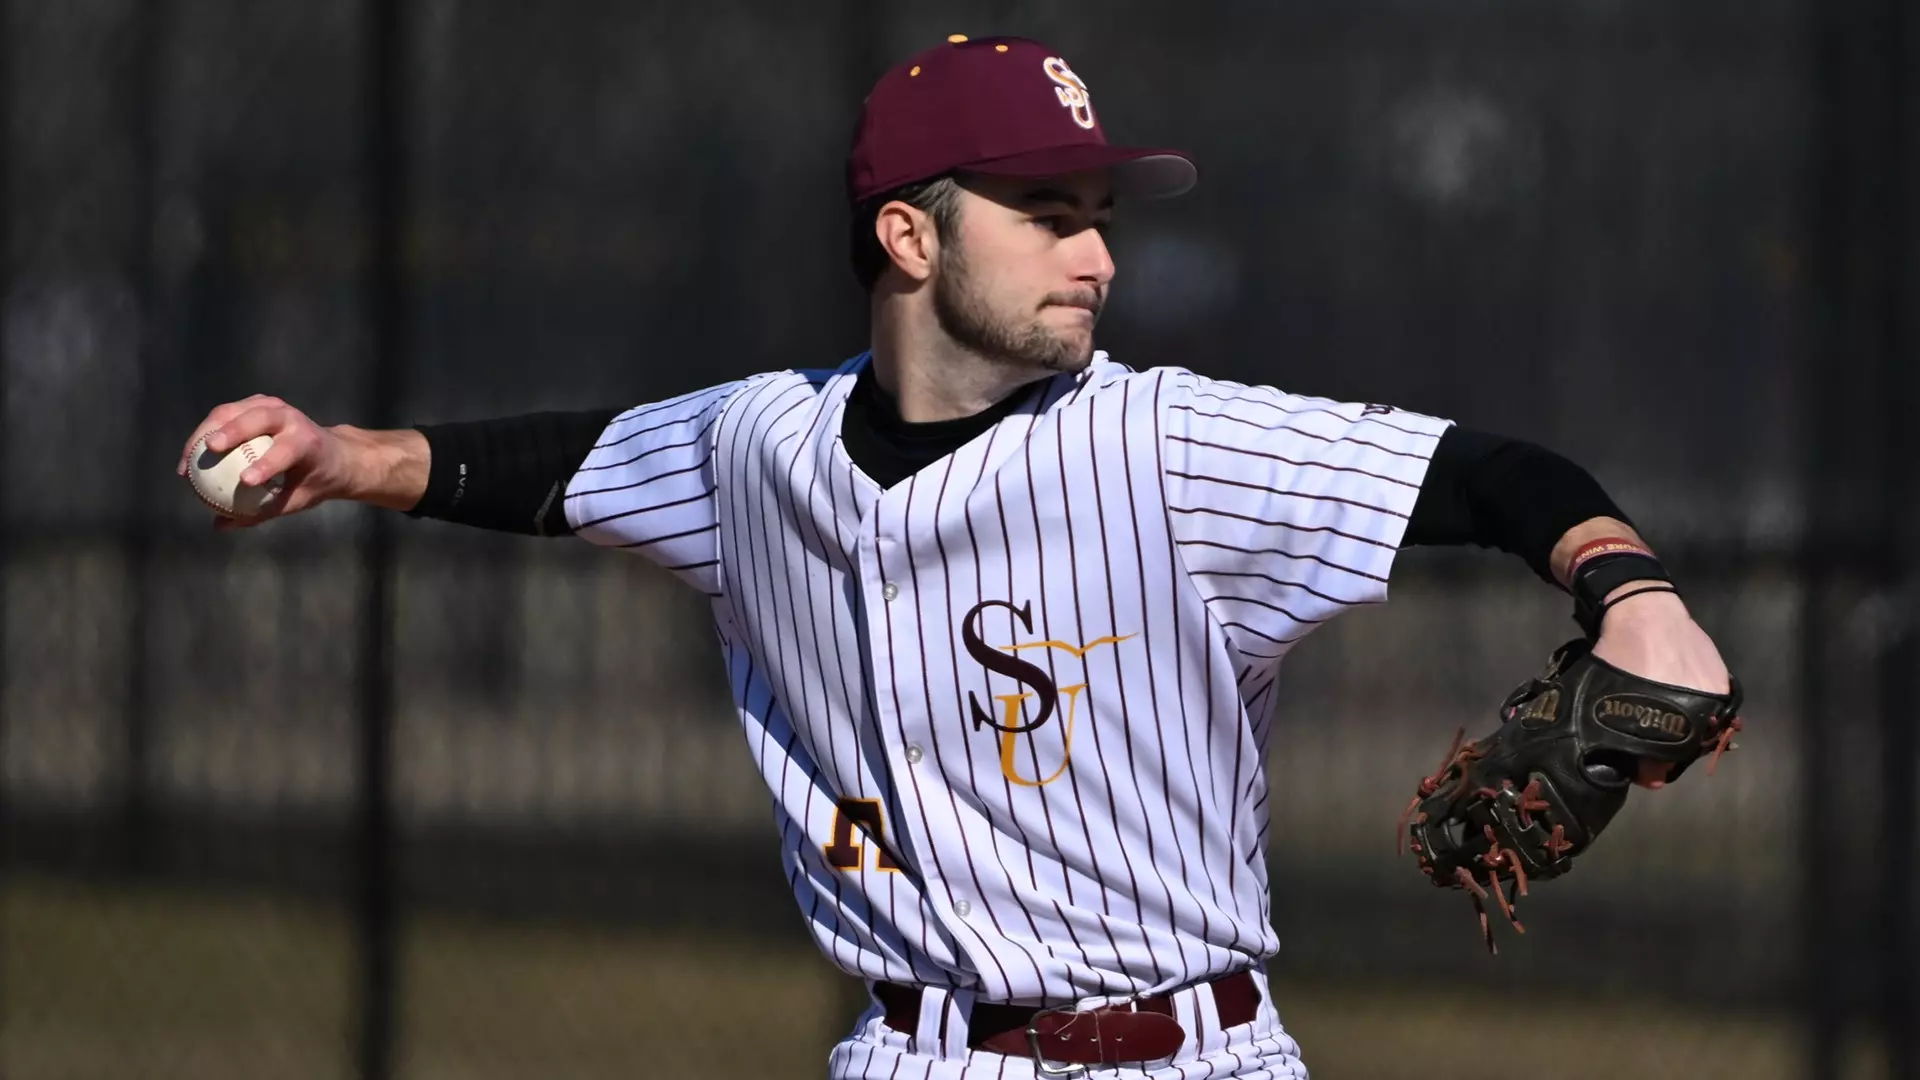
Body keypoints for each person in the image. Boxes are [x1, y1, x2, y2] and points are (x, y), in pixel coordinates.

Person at [177, 34, 1732, 1080]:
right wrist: (346, 457)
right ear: (910, 237)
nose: (1098, 253)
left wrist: (1634, 594)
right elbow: (558, 467)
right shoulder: (756, 449)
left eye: (1099, 212)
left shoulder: (1168, 447)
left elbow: (1487, 474)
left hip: (1192, 1053)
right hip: (909, 1053)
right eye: (1046, 212)